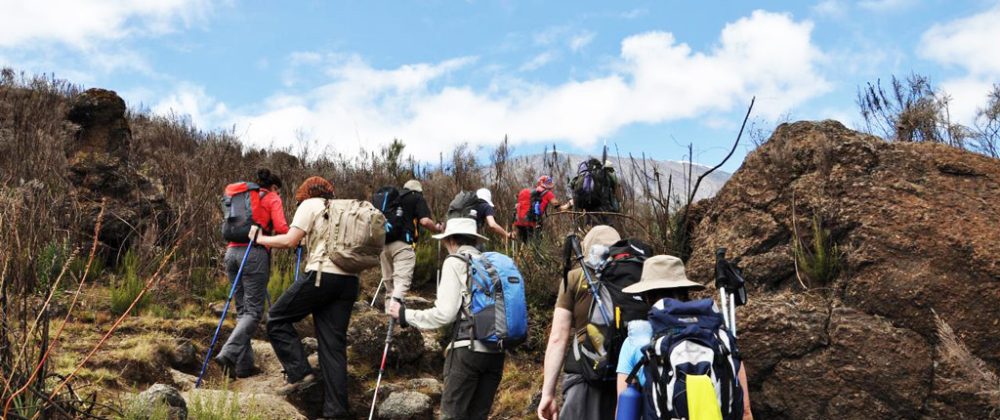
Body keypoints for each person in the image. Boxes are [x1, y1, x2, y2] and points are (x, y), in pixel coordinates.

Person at [248, 176, 358, 419]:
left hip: (322, 276)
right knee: (333, 347)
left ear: (306, 194)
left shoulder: (310, 205)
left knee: (276, 318)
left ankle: (300, 373)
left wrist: (260, 239)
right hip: (349, 282)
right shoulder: (340, 210)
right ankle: (335, 412)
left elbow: (289, 240)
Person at [387, 218, 504, 420]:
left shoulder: (455, 262)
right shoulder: (492, 264)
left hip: (467, 349)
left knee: (452, 415)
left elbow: (444, 314)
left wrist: (405, 314)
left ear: (450, 240)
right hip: (497, 351)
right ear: (475, 240)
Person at [616, 255, 753, 420]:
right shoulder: (720, 336)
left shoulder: (634, 340)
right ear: (686, 292)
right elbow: (745, 410)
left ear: (647, 297)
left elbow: (624, 412)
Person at [538, 225, 622, 420]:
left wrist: (548, 394)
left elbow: (558, 338)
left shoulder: (575, 277)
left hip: (584, 373)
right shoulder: (632, 276)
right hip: (625, 376)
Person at [214, 168, 288, 379]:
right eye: (278, 190)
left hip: (231, 253)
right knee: (254, 312)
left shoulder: (242, 197)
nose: (279, 194)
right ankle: (228, 354)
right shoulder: (272, 197)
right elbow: (282, 228)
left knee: (242, 311)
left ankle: (244, 367)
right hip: (254, 253)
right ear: (274, 187)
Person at [379, 179, 442, 310]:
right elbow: (424, 221)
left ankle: (388, 315)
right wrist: (436, 229)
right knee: (401, 282)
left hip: (384, 244)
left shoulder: (393, 198)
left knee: (389, 283)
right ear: (418, 190)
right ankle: (395, 316)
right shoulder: (416, 197)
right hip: (402, 245)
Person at [512, 175, 569, 242]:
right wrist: (570, 204)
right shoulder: (547, 193)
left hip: (520, 221)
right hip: (534, 222)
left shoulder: (533, 193)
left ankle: (527, 251)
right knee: (537, 243)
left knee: (526, 243)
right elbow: (559, 207)